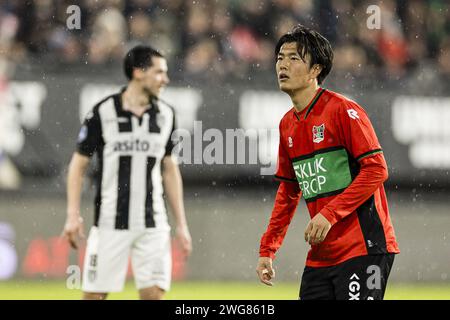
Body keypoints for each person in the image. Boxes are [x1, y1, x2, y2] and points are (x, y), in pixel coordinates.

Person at [256, 25, 400, 300]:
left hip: (364, 248)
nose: (282, 65)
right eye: (279, 58)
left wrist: (329, 214)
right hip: (322, 256)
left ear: (315, 70)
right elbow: (288, 192)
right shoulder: (287, 125)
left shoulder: (343, 111)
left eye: (293, 58)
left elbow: (377, 170)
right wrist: (268, 249)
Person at [62, 45, 192, 300]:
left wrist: (182, 224)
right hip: (110, 221)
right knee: (94, 297)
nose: (165, 79)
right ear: (138, 72)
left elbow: (169, 169)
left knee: (153, 295)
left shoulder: (166, 115)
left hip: (152, 223)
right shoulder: (102, 112)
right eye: (159, 72)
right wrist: (72, 215)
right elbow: (78, 165)